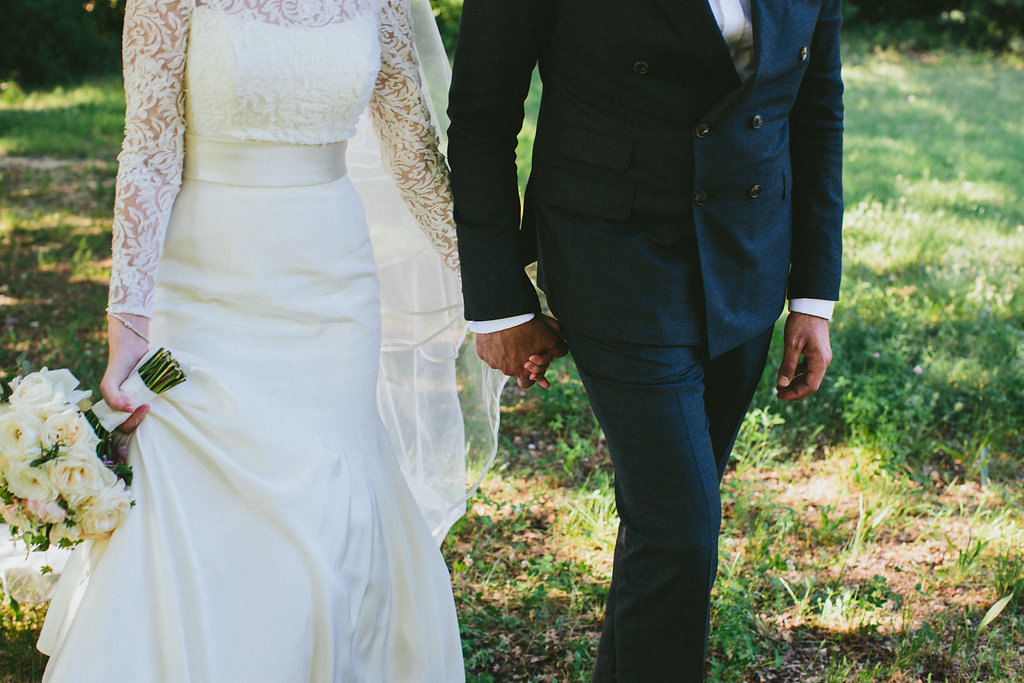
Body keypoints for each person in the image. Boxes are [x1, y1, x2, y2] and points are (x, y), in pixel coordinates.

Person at [36, 0, 490, 680]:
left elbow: (414, 150)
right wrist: (127, 323)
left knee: (326, 495)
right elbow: (150, 147)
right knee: (199, 491)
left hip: (331, 284)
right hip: (204, 277)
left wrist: (497, 296)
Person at [447, 0, 843, 680]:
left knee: (664, 529)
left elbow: (815, 104)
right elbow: (483, 114)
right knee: (680, 534)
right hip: (613, 251)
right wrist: (497, 303)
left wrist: (812, 295)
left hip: (749, 254)